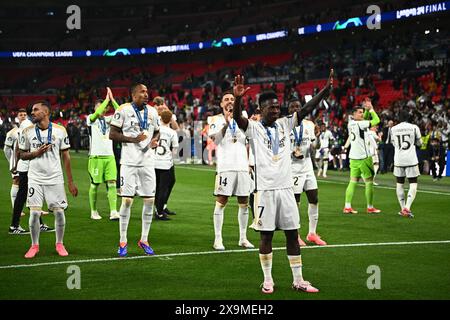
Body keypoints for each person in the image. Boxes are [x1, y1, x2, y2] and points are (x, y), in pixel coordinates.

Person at [233, 70, 333, 294]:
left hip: (287, 189)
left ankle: (298, 280)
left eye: (278, 107)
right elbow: (238, 118)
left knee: (292, 234)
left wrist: (324, 92)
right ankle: (268, 280)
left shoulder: (285, 124)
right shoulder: (253, 127)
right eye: (272, 107)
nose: (277, 110)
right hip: (265, 191)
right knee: (266, 236)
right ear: (261, 109)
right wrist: (238, 97)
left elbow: (307, 109)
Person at [19, 101, 78, 258]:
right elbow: (22, 154)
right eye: (32, 110)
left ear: (45, 112)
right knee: (34, 214)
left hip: (55, 178)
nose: (32, 112)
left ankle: (59, 244)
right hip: (35, 178)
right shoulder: (27, 131)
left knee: (59, 213)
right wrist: (35, 153)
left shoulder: (60, 130)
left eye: (35, 110)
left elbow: (66, 156)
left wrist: (70, 181)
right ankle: (34, 245)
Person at [109, 83, 160, 257]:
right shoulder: (123, 110)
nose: (146, 94)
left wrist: (155, 141)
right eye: (142, 92)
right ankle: (123, 241)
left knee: (149, 201)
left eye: (147, 91)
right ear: (133, 95)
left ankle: (144, 240)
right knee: (127, 201)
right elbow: (112, 134)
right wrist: (133, 139)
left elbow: (157, 132)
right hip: (129, 163)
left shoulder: (153, 112)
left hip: (147, 162)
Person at [207, 91, 254, 251]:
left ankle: (243, 238)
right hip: (225, 167)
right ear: (221, 104)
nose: (229, 101)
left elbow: (250, 139)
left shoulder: (244, 118)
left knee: (244, 203)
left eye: (232, 99)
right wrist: (228, 122)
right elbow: (215, 140)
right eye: (226, 99)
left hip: (242, 166)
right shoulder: (215, 120)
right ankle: (218, 239)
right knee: (221, 202)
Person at [288, 99, 327, 246]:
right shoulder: (285, 125)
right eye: (293, 106)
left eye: (298, 106)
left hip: (307, 168)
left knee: (314, 199)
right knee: (295, 203)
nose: (296, 109)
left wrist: (317, 136)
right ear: (289, 109)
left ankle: (312, 233)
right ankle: (295, 235)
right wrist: (291, 152)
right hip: (293, 170)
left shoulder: (309, 125)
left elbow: (314, 147)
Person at [9, 109, 52, 235]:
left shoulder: (25, 125)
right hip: (27, 166)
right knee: (24, 196)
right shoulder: (28, 126)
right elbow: (19, 148)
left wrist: (15, 164)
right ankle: (14, 225)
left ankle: (38, 224)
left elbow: (18, 146)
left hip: (26, 166)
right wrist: (16, 163)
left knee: (31, 196)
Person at [343, 97, 381, 214]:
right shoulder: (360, 124)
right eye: (360, 112)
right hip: (364, 158)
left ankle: (347, 206)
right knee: (369, 182)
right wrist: (371, 109)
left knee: (353, 181)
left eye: (362, 112)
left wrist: (366, 111)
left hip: (353, 158)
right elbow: (377, 120)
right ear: (353, 114)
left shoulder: (350, 123)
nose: (362, 114)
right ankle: (370, 207)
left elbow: (366, 122)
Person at [86, 87, 120, 220]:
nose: (103, 109)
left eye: (105, 107)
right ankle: (93, 211)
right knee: (94, 185)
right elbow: (97, 113)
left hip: (109, 157)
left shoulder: (109, 119)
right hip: (96, 157)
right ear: (94, 108)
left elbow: (121, 112)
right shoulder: (90, 119)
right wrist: (106, 100)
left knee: (112, 183)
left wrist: (112, 100)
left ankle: (113, 212)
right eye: (99, 107)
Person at [390, 110, 422, 218]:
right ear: (409, 117)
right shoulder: (414, 127)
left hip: (398, 159)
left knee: (399, 183)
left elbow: (393, 143)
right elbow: (420, 143)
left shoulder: (393, 129)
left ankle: (402, 208)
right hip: (411, 159)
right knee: (413, 183)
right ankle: (407, 208)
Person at [154, 110, 178, 220]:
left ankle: (155, 209)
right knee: (163, 188)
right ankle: (159, 211)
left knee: (156, 187)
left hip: (153, 161)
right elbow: (175, 150)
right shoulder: (172, 132)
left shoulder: (155, 129)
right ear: (170, 120)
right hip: (165, 163)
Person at [4, 109, 27, 217]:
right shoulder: (12, 132)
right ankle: (15, 208)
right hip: (16, 161)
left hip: (27, 161)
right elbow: (6, 149)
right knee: (16, 181)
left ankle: (34, 208)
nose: (23, 116)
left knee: (29, 183)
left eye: (24, 114)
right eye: (21, 115)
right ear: (17, 118)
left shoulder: (30, 129)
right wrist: (11, 162)